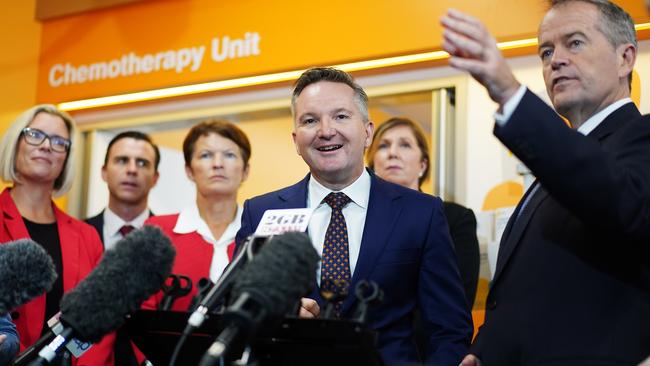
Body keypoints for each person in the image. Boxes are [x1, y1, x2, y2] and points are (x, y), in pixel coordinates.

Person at [441, 1, 650, 365]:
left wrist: (510, 94)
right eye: (546, 51)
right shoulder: (555, 166)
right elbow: (524, 291)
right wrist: (483, 351)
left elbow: (618, 199)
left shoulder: (641, 138)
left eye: (576, 43)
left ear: (625, 58)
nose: (556, 60)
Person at [235, 67, 472, 365]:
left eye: (341, 116)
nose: (325, 130)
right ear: (296, 140)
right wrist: (275, 316)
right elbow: (235, 313)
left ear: (367, 131)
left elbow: (449, 329)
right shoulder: (261, 213)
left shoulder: (421, 213)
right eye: (310, 120)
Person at [0, 105, 113, 365]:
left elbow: (98, 325)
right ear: (15, 143)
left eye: (59, 141)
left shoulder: (87, 236)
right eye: (35, 134)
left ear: (66, 158)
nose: (47, 146)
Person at [367, 117, 480, 308]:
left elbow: (456, 299)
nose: (392, 153)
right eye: (383, 146)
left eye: (405, 145)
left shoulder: (454, 218)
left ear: (422, 165)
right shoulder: (359, 219)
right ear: (372, 164)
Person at [144, 119, 250, 311]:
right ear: (189, 171)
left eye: (229, 155)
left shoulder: (262, 235)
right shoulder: (157, 231)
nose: (218, 164)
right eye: (206, 155)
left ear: (245, 171)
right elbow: (141, 312)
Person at [85, 131, 160, 250]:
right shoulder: (77, 235)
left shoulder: (170, 239)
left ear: (155, 178)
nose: (132, 170)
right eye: (122, 160)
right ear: (104, 172)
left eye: (142, 163)